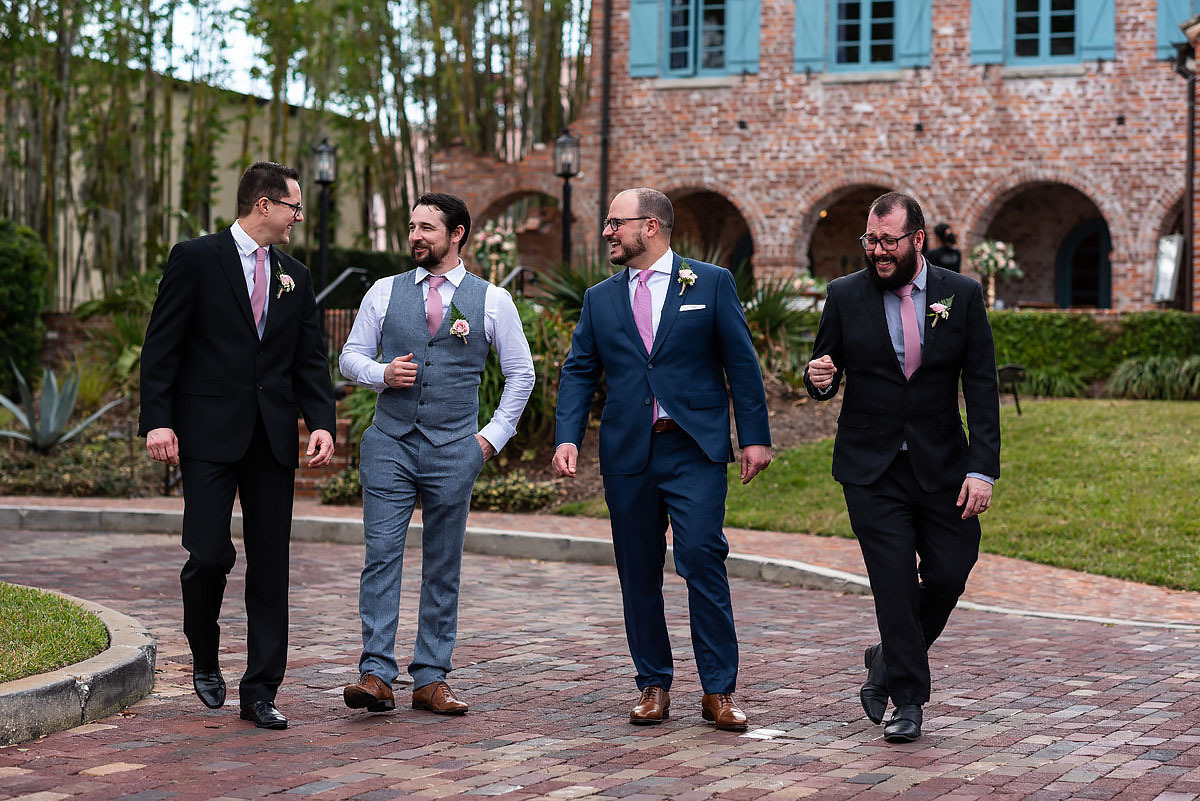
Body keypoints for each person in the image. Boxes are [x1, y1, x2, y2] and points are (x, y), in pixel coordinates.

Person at [552, 187, 772, 732]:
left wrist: (754, 437)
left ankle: (719, 691)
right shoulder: (600, 298)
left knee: (701, 558)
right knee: (638, 570)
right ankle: (653, 684)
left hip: (693, 448)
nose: (607, 232)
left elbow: (740, 365)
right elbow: (580, 369)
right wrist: (568, 436)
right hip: (629, 451)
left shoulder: (711, 283)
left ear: (650, 227)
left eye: (614, 222)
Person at [140, 161, 336, 730]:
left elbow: (309, 361)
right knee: (208, 554)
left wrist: (319, 420)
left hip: (271, 439)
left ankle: (259, 691)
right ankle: (204, 653)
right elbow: (162, 348)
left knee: (271, 567)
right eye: (295, 207)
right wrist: (159, 421)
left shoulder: (294, 275)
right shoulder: (195, 259)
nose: (300, 217)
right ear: (265, 205)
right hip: (206, 434)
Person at [804, 192, 1000, 743]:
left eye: (888, 241)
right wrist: (819, 378)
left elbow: (982, 387)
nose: (878, 251)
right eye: (870, 241)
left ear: (917, 240)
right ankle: (908, 700)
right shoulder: (845, 294)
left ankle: (885, 660)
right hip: (871, 468)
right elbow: (825, 366)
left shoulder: (960, 295)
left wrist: (982, 469)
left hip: (943, 465)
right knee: (892, 583)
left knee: (950, 571)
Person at [339, 193, 534, 716]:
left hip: (455, 448)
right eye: (412, 227)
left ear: (458, 234)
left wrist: (490, 439)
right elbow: (349, 356)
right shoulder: (383, 292)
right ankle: (376, 673)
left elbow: (522, 374)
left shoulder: (493, 301)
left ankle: (430, 677)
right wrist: (381, 374)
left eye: (427, 227)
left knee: (443, 564)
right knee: (381, 555)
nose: (416, 236)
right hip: (389, 444)